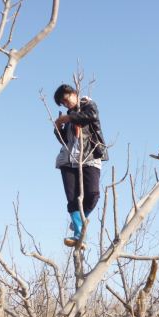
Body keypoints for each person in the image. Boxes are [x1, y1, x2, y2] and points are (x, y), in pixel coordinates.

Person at [52, 84, 108, 247]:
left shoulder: (87, 104)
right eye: (62, 103)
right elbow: (65, 140)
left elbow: (91, 116)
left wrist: (68, 118)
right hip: (68, 160)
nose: (66, 104)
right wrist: (58, 128)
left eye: (66, 99)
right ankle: (78, 234)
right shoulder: (68, 116)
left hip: (90, 155)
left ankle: (79, 220)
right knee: (73, 198)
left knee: (93, 194)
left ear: (74, 93)